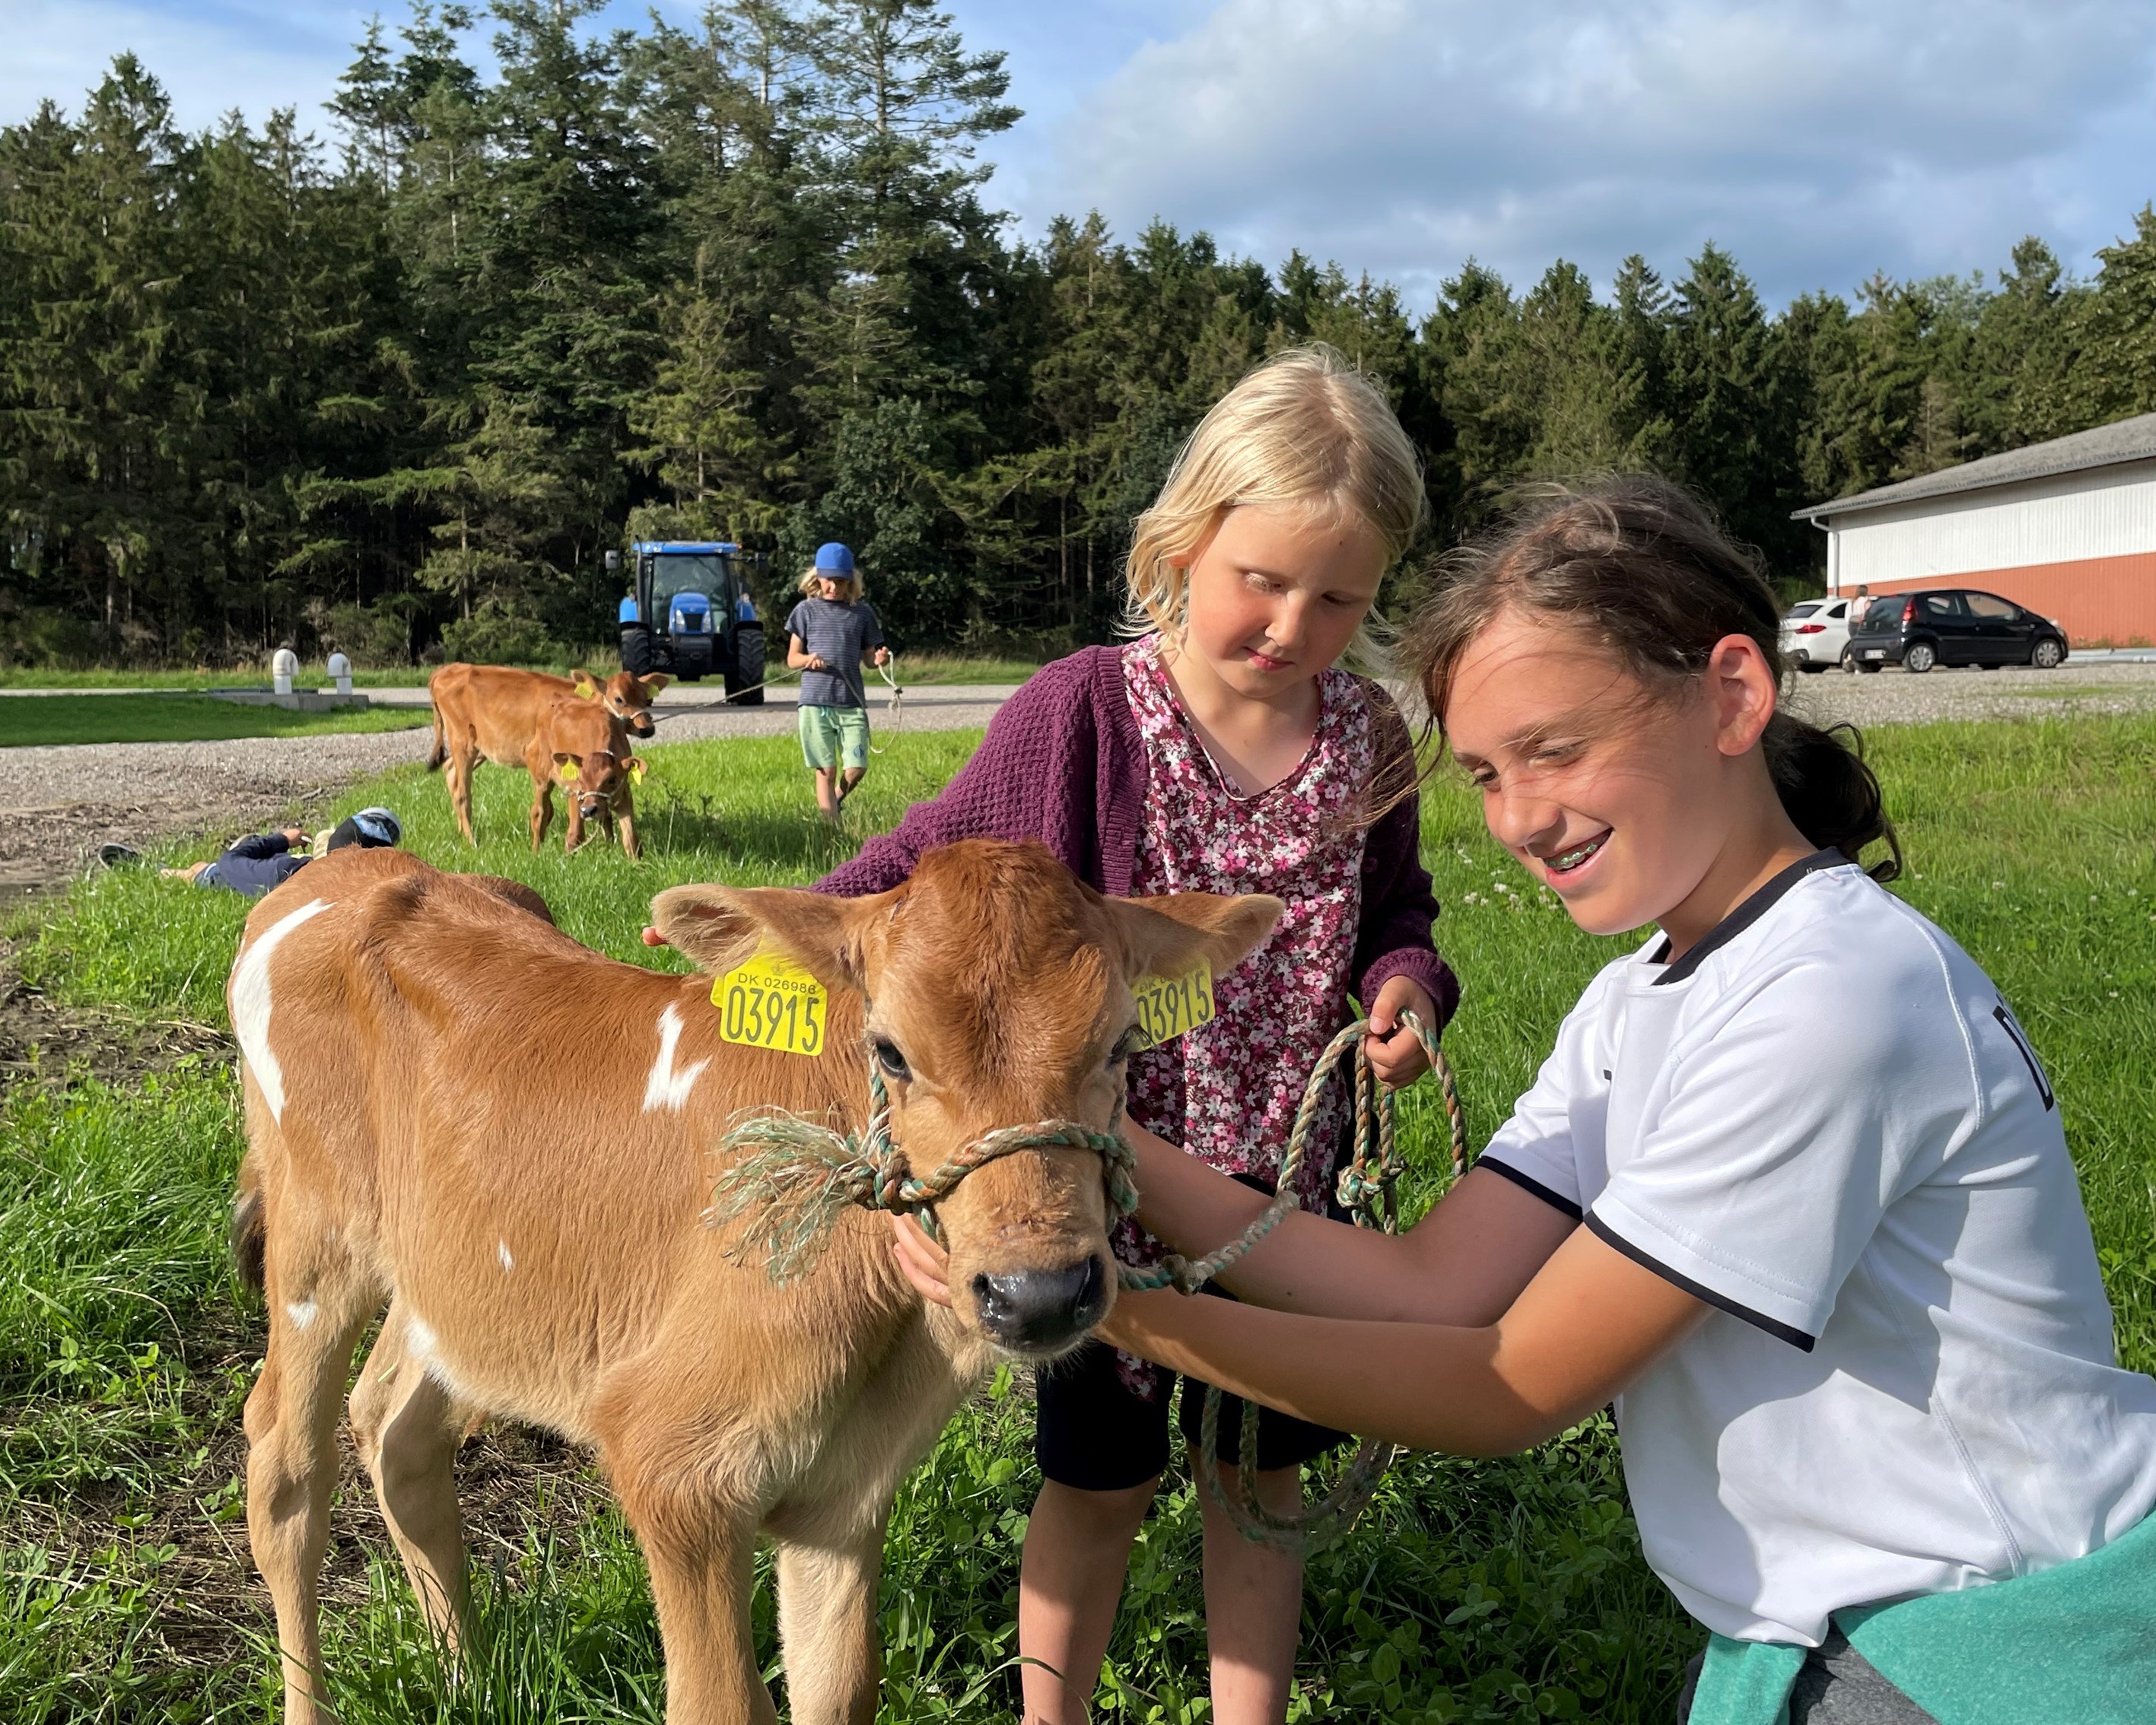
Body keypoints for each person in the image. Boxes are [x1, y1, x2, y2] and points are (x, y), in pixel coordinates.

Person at [895, 478, 2156, 1725]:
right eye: (1487, 773)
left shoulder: (1830, 1001)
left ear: (1730, 694)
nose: (1517, 818)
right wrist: (1071, 1138)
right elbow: (1431, 1288)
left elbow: (1507, 1385)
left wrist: (1107, 1309)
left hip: (1991, 1635)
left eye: (1556, 750)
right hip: (1827, 1626)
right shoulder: (1639, 999)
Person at [809, 345, 1455, 1725]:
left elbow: (1397, 907)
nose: (1291, 625)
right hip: (1089, 1198)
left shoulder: (1367, 741)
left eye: (1338, 598)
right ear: (1181, 545)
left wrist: (1403, 986)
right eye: (1260, 580)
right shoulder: (1083, 714)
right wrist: (785, 942)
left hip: (1286, 1199)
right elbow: (917, 863)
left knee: (1260, 1482)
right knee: (1097, 1482)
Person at [787, 542, 892, 823]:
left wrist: (879, 660)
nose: (834, 587)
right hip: (814, 703)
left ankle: (835, 799)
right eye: (829, 580)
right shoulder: (805, 611)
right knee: (826, 769)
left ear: (851, 581)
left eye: (841, 582)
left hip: (851, 702)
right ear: (817, 578)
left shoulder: (862, 614)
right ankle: (829, 828)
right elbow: (792, 659)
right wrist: (809, 659)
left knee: (857, 767)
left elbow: (869, 660)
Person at [144, 806, 402, 894]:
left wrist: (282, 840)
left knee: (201, 868)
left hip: (226, 875)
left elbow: (230, 862)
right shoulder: (369, 887)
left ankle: (169, 873)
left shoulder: (288, 872)